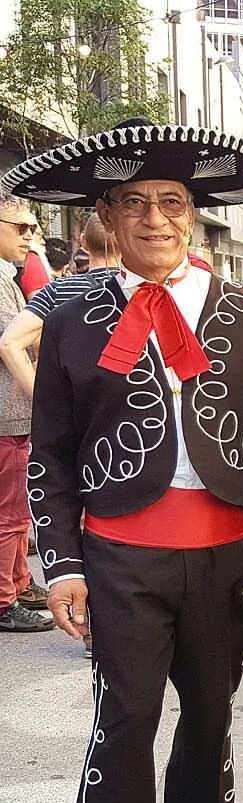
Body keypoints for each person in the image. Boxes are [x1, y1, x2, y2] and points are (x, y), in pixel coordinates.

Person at [2, 118, 243, 803]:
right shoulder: (71, 317)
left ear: (194, 216)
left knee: (212, 702)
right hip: (121, 554)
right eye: (133, 203)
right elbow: (52, 452)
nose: (155, 218)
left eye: (172, 202)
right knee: (127, 715)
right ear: (106, 214)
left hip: (225, 549)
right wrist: (61, 565)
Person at [0, 191, 52, 633]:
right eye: (21, 228)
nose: (31, 237)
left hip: (13, 413)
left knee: (17, 511)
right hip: (7, 414)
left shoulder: (9, 277)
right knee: (11, 514)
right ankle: (4, 599)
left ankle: (17, 583)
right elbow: (15, 339)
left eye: (33, 227)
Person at [0, 212, 119, 399]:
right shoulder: (149, 291)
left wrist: (43, 403)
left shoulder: (57, 290)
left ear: (83, 242)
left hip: (75, 402)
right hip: (136, 405)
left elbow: (9, 342)